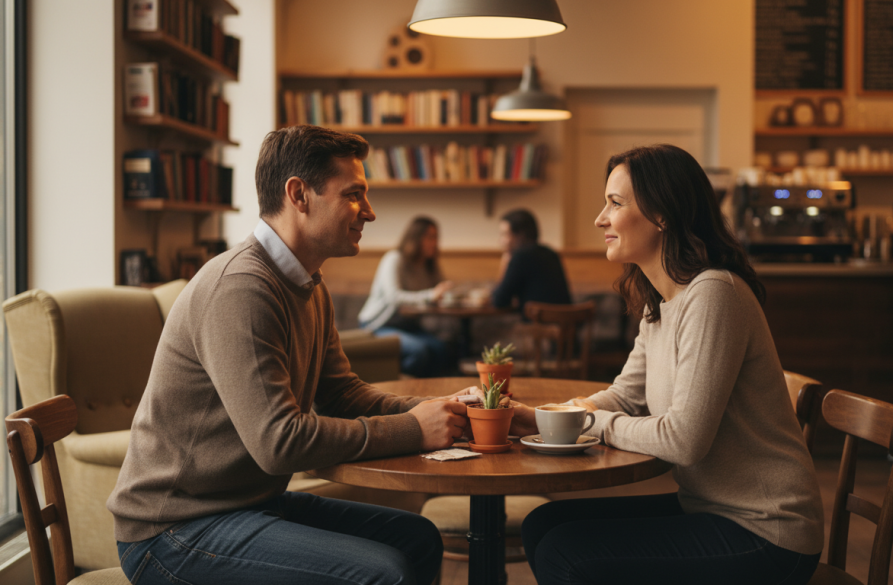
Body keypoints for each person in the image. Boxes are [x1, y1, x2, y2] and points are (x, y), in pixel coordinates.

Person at [107, 125, 471, 585]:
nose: (370, 212)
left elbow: (342, 394)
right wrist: (412, 430)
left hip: (245, 506)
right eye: (354, 194)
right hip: (172, 529)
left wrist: (431, 412)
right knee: (383, 574)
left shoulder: (308, 285)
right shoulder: (241, 288)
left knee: (417, 538)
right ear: (299, 194)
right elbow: (279, 443)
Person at [510, 144, 824, 585]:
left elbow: (683, 440)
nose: (601, 218)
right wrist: (546, 418)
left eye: (614, 204)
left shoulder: (713, 294)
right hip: (712, 508)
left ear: (662, 216)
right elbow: (624, 395)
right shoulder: (660, 302)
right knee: (544, 525)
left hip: (766, 531)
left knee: (565, 552)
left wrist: (591, 422)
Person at [359, 216, 455, 377]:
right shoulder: (394, 259)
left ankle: (431, 394)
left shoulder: (429, 265)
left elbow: (441, 291)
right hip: (378, 325)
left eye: (436, 238)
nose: (434, 243)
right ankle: (394, 384)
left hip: (408, 326)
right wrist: (431, 295)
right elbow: (393, 297)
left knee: (441, 349)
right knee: (419, 351)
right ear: (416, 238)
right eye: (430, 237)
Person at [492, 208, 571, 310]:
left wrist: (505, 262)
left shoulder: (520, 257)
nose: (501, 241)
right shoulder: (551, 253)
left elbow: (499, 301)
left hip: (539, 324)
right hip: (567, 323)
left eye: (505, 234)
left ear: (521, 235)